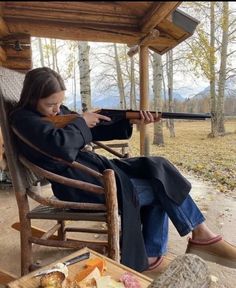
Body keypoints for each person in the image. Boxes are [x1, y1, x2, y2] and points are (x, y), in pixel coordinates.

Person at [10, 67, 236, 272]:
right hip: (80, 184)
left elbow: (93, 129)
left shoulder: (55, 113)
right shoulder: (22, 119)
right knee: (160, 187)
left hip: (94, 171)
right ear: (32, 98)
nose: (57, 110)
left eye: (60, 103)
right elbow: (60, 145)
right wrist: (81, 122)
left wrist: (131, 121)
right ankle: (188, 242)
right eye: (51, 104)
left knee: (158, 166)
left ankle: (164, 250)